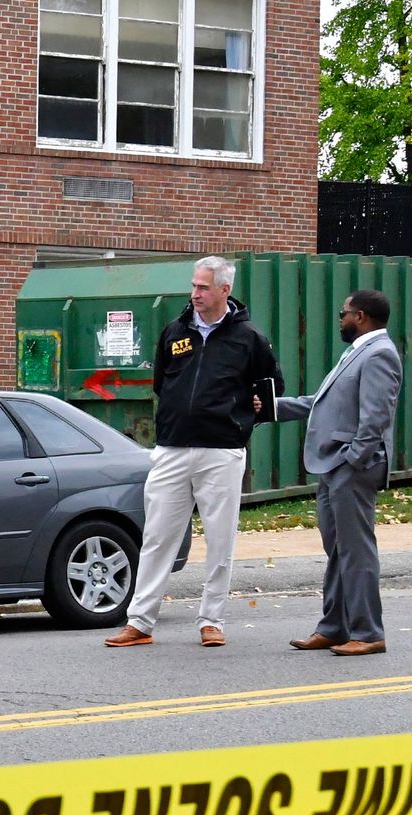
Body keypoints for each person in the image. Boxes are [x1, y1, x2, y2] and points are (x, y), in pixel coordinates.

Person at [106, 255, 284, 649]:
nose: (195, 294)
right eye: (194, 286)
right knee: (157, 536)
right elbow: (160, 384)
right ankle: (140, 621)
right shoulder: (175, 331)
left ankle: (212, 620)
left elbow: (272, 387)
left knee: (220, 539)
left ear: (225, 290)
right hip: (172, 449)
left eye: (203, 287)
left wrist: (250, 410)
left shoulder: (249, 338)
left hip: (222, 450)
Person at [275, 289, 403, 656]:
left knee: (356, 551)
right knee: (338, 550)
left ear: (360, 316)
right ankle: (334, 627)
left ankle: (368, 633)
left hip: (350, 466)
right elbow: (323, 403)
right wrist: (272, 407)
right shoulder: (359, 351)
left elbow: (376, 416)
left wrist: (354, 459)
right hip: (334, 465)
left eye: (343, 313)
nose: (340, 320)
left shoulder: (379, 354)